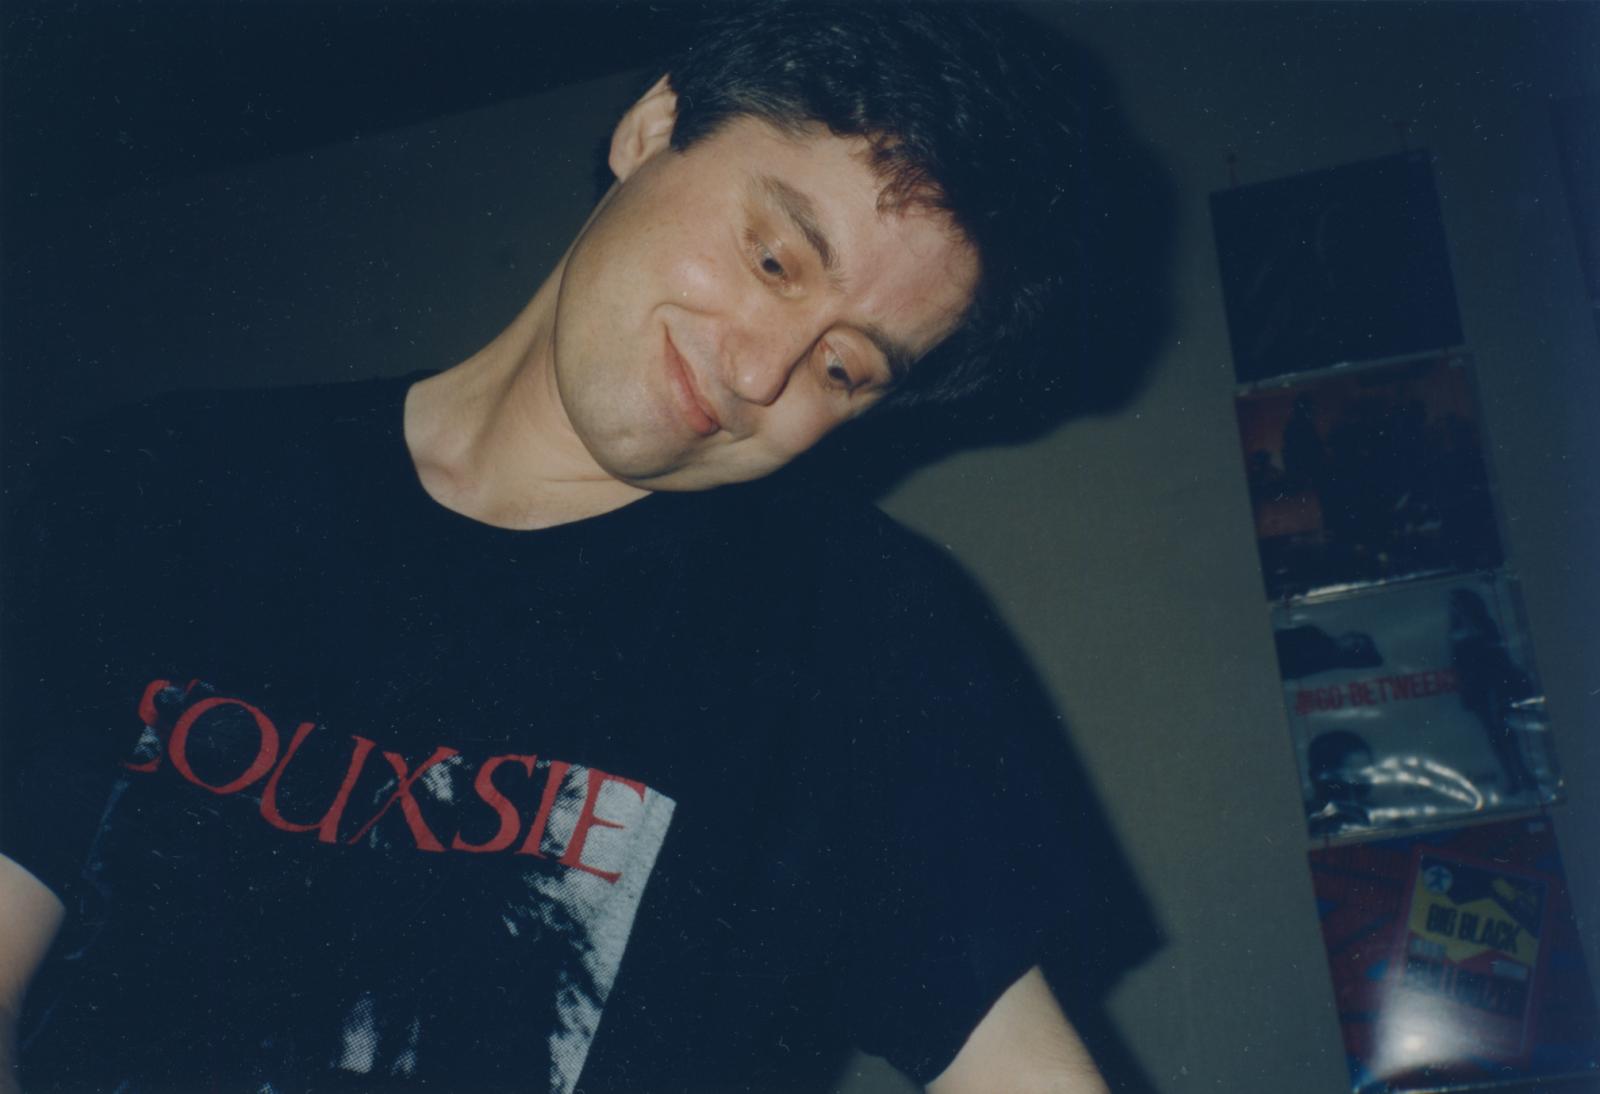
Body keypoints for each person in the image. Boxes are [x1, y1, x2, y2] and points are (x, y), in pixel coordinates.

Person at [1, 3, 1147, 1091]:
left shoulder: (863, 628)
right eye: (773, 260)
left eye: (843, 367)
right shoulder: (164, 484)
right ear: (651, 127)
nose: (759, 374)